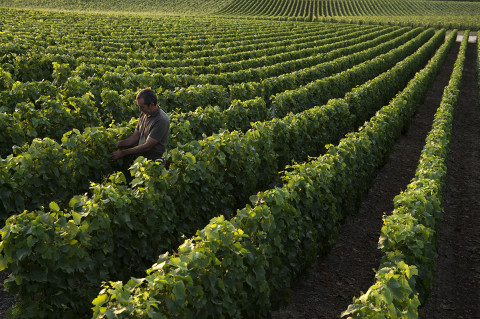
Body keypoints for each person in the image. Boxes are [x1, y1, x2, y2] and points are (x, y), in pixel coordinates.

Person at [111, 88, 170, 162]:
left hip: (154, 163)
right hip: (141, 160)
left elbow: (147, 146)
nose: (139, 110)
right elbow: (135, 136)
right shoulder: (144, 113)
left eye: (142, 107)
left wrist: (122, 153)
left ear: (152, 104)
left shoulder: (161, 120)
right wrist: (119, 144)